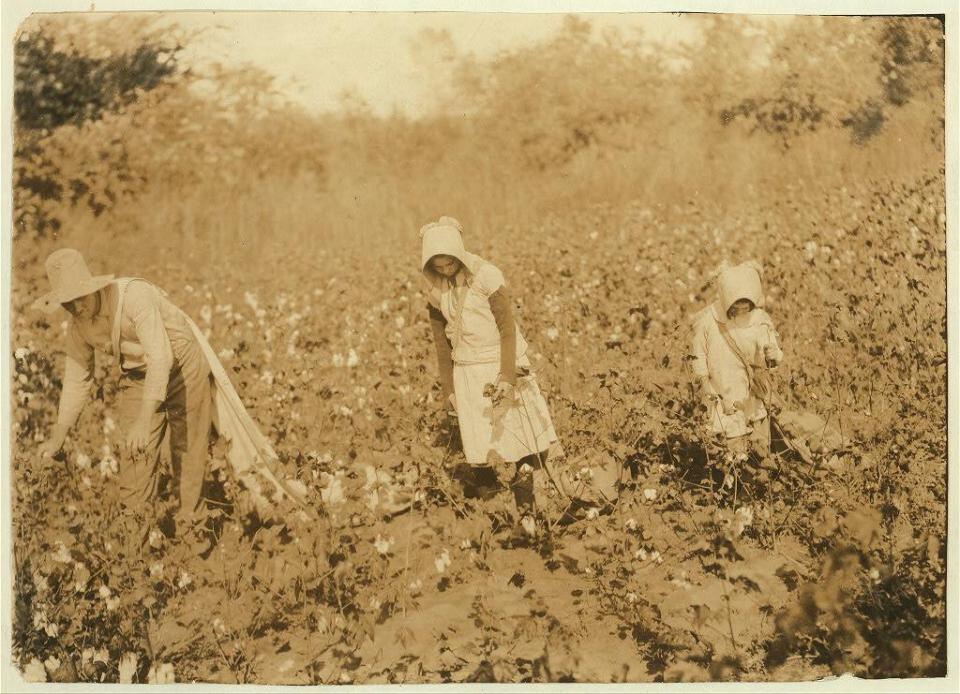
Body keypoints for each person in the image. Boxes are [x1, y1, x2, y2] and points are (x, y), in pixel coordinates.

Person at [36, 249, 305, 550]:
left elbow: (160, 357)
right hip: (138, 375)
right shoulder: (78, 325)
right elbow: (77, 379)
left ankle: (193, 534)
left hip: (181, 364)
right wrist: (57, 436)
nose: (75, 306)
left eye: (79, 297)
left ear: (93, 288)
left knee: (186, 449)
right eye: (67, 303)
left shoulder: (134, 295)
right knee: (135, 456)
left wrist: (143, 420)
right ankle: (133, 552)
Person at [420, 217, 561, 533]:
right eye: (439, 267)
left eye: (450, 264)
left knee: (521, 443)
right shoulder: (436, 293)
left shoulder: (487, 277)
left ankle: (530, 515)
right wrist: (449, 392)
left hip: (501, 366)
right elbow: (442, 346)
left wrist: (507, 378)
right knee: (486, 450)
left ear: (459, 254)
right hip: (467, 374)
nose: (446, 271)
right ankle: (501, 517)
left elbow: (507, 330)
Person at [689, 260, 784, 460]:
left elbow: (773, 353)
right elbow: (698, 359)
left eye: (746, 304)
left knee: (759, 451)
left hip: (754, 397)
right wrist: (708, 390)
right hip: (724, 398)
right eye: (736, 304)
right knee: (732, 455)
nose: (742, 309)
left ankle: (759, 480)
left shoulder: (759, 319)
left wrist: (773, 356)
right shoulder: (708, 322)